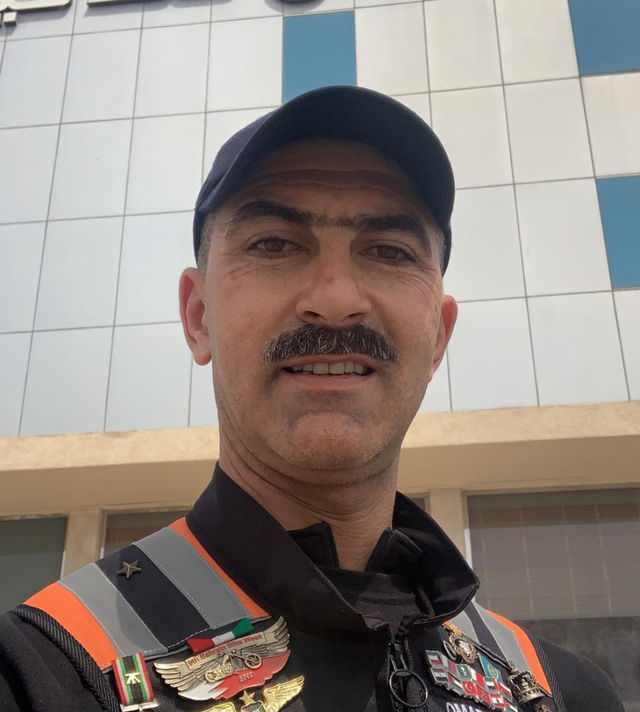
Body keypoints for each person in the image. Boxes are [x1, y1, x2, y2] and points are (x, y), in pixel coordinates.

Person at [0, 86, 624, 712]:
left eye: (389, 251)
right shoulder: (41, 669)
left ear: (438, 336)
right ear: (198, 317)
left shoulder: (559, 692)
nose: (335, 298)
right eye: (274, 243)